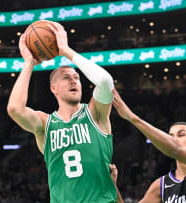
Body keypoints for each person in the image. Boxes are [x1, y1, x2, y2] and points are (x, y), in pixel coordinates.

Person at [7, 21, 119, 203]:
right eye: (66, 78)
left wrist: (66, 51)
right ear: (54, 88)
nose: (73, 81)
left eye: (76, 78)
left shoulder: (95, 113)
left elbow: (105, 82)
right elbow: (14, 109)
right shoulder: (45, 124)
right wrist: (29, 63)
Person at [112, 90, 186, 203]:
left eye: (181, 134)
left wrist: (133, 118)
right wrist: (112, 185)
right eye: (171, 136)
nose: (174, 139)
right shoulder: (161, 186)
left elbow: (175, 149)